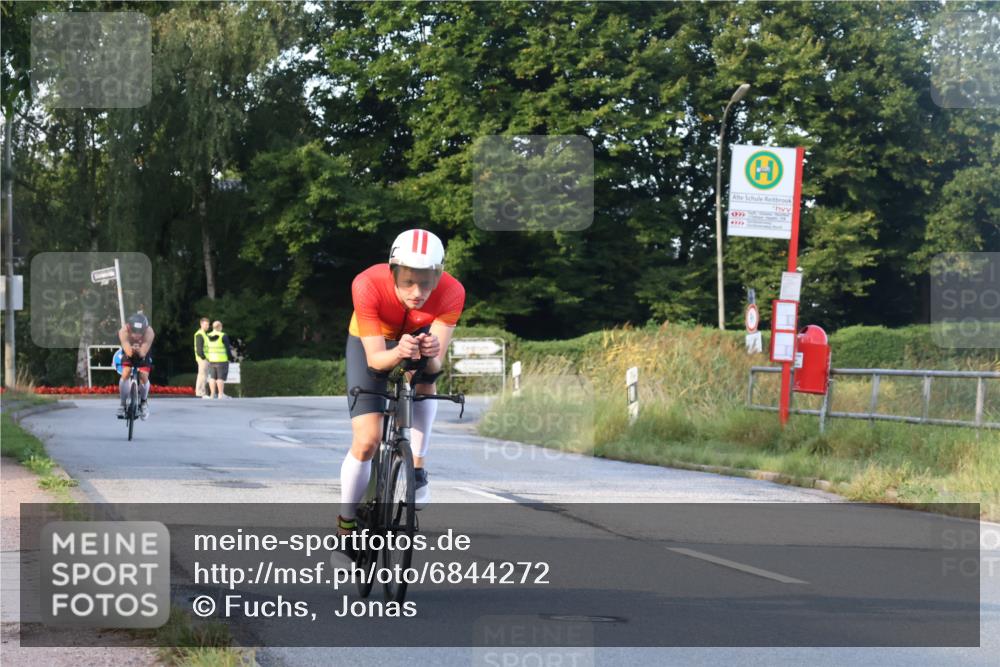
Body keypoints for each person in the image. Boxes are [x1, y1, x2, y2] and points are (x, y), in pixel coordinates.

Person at [338, 229, 465, 537]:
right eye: (407, 280)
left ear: (439, 276)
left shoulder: (452, 291)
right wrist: (397, 352)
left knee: (426, 381)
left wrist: (430, 355)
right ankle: (345, 525)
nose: (417, 291)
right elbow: (376, 361)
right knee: (367, 440)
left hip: (416, 338)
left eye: (426, 281)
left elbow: (435, 367)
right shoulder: (367, 284)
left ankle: (417, 468)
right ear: (393, 273)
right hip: (373, 343)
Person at [116, 312, 155, 420]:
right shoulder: (123, 331)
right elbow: (128, 351)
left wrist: (140, 350)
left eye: (140, 332)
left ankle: (143, 402)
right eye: (134, 332)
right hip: (129, 350)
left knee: (143, 375)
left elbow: (143, 353)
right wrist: (132, 350)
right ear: (129, 328)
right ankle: (122, 404)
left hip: (144, 350)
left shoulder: (149, 332)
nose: (137, 335)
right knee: (126, 372)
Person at [205, 320, 235, 399]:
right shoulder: (223, 335)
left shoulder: (208, 335)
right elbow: (227, 349)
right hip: (221, 360)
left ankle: (212, 394)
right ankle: (221, 394)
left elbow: (206, 348)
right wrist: (230, 358)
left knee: (212, 377)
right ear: (220, 327)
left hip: (211, 360)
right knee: (220, 378)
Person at [194, 317, 211, 399]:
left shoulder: (204, 334)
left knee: (204, 376)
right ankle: (201, 393)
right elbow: (199, 348)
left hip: (205, 358)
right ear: (201, 324)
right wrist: (203, 357)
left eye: (208, 324)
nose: (207, 326)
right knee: (202, 376)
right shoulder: (200, 334)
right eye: (206, 324)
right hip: (203, 359)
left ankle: (202, 392)